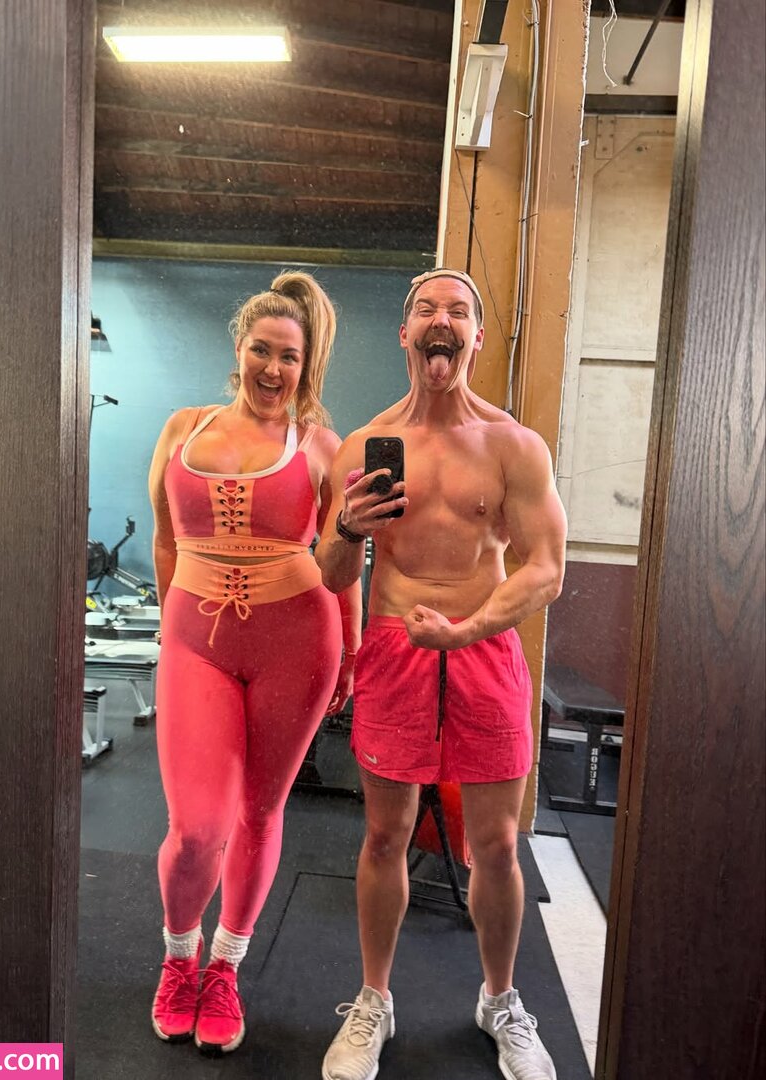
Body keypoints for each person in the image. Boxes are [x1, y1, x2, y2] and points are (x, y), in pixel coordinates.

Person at [315, 268, 567, 1080]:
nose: (441, 319)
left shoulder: (512, 446)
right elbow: (328, 574)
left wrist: (467, 629)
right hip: (394, 649)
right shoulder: (362, 447)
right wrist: (347, 529)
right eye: (426, 308)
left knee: (493, 844)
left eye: (458, 310)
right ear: (405, 333)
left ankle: (500, 1001)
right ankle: (374, 1000)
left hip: (483, 648)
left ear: (475, 338)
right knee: (384, 835)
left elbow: (545, 568)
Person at [147, 270, 361, 1057]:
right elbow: (165, 541)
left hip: (297, 643)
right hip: (195, 643)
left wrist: (353, 651)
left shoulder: (322, 447)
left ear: (305, 366)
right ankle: (179, 959)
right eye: (262, 350)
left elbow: (342, 564)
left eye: (289, 357)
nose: (274, 368)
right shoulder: (182, 429)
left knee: (260, 814)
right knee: (196, 827)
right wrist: (172, 628)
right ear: (238, 349)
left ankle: (224, 968)